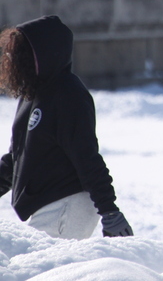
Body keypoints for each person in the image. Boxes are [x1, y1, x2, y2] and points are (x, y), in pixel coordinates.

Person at [0, 15, 134, 240]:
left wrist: (109, 210)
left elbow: (86, 157)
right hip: (46, 206)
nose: (10, 60)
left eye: (18, 54)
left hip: (70, 204)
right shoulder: (31, 95)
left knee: (41, 271)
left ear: (42, 54)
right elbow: (17, 158)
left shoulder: (68, 95)